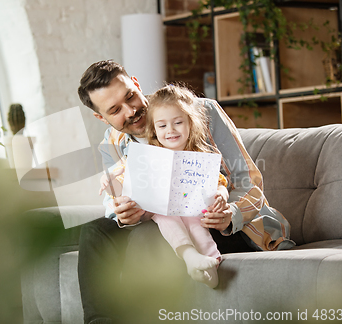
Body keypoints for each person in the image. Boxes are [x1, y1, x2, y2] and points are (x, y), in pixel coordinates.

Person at [77, 60, 294, 324]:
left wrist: (230, 214)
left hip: (220, 223)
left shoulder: (200, 111)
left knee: (149, 236)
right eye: (115, 109)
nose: (131, 110)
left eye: (131, 96)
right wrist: (123, 214)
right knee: (94, 231)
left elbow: (250, 180)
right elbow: (112, 200)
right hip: (161, 220)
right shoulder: (112, 142)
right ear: (101, 117)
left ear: (136, 83)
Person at [99, 84, 234, 289]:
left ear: (191, 123)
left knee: (197, 224)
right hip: (162, 209)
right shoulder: (149, 154)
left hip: (192, 207)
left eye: (178, 123)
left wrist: (221, 195)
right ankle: (189, 257)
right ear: (154, 129)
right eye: (162, 126)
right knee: (164, 215)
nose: (170, 130)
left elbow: (220, 182)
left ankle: (210, 264)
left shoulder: (200, 153)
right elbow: (121, 172)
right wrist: (109, 179)